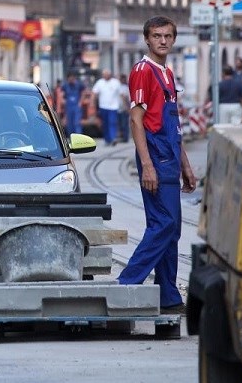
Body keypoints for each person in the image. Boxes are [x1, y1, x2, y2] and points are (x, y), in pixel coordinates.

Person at [117, 16, 198, 314]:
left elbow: (174, 126)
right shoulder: (143, 71)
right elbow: (136, 120)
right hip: (156, 158)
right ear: (147, 39)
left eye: (167, 36)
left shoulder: (167, 73)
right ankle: (127, 283)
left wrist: (186, 166)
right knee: (163, 224)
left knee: (171, 228)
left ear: (174, 39)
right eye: (156, 36)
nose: (162, 41)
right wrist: (147, 165)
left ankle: (169, 295)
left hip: (170, 157)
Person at [91, 69, 122, 146]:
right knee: (105, 124)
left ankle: (113, 138)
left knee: (112, 122)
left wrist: (123, 105)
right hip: (103, 107)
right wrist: (92, 102)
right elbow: (94, 93)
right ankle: (107, 139)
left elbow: (121, 93)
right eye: (104, 74)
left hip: (113, 107)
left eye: (107, 74)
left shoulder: (116, 82)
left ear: (110, 74)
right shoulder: (100, 82)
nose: (105, 76)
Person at [117, 73, 131, 144]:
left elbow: (124, 98)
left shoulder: (123, 87)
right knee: (123, 123)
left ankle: (124, 137)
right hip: (122, 108)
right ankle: (124, 137)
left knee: (123, 123)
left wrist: (127, 108)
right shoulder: (124, 87)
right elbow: (124, 98)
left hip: (122, 108)